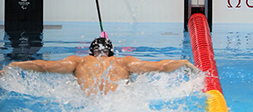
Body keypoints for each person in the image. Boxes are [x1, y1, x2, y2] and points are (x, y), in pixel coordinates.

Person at [0, 36, 197, 96]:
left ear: (89, 52)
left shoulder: (78, 62)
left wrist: (16, 64)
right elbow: (160, 67)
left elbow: (43, 67)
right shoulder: (123, 62)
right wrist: (185, 63)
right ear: (112, 52)